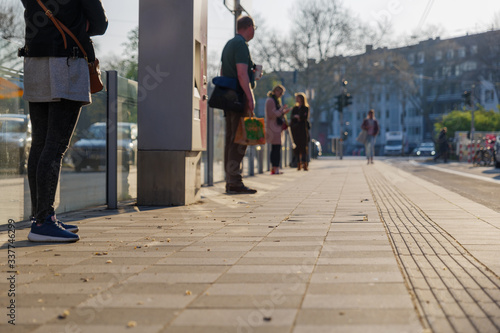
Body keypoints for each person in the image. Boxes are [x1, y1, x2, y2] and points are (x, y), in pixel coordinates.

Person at [20, 0, 108, 242]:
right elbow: (100, 24)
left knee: (39, 143)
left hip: (33, 61)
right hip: (65, 62)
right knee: (55, 146)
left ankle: (40, 216)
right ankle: (43, 221)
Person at [221, 16, 261, 194]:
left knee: (231, 139)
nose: (254, 31)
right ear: (249, 27)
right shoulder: (241, 45)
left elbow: (223, 72)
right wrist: (250, 96)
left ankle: (230, 180)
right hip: (239, 97)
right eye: (254, 28)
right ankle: (235, 182)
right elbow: (242, 74)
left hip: (229, 98)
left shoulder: (229, 45)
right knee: (240, 139)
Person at [265, 85, 290, 175]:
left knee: (277, 148)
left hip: (276, 127)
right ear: (276, 91)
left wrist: (283, 112)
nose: (281, 95)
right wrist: (281, 110)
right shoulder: (271, 101)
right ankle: (275, 168)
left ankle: (276, 168)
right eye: (280, 92)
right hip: (273, 128)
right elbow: (272, 114)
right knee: (276, 149)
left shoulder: (275, 100)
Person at [290, 92, 310, 171]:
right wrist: (296, 117)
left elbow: (304, 117)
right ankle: (298, 164)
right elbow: (292, 117)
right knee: (297, 148)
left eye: (298, 98)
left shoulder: (305, 108)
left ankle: (305, 164)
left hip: (302, 129)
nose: (296, 99)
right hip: (295, 130)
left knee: (303, 147)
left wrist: (299, 117)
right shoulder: (295, 108)